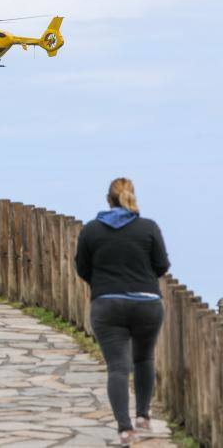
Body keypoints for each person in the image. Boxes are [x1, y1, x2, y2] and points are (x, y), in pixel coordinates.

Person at [75, 178, 170, 446]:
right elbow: (162, 265)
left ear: (108, 199)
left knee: (117, 367)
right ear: (132, 197)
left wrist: (104, 283)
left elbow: (82, 268)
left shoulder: (92, 230)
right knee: (144, 359)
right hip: (147, 303)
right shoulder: (148, 228)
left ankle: (125, 429)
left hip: (107, 303)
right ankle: (143, 416)